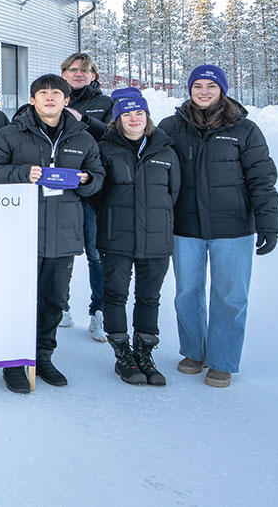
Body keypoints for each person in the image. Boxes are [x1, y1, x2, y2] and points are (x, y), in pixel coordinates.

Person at [0, 73, 105, 394]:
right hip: (20, 233)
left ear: (66, 100)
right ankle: (14, 362)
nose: (50, 97)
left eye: (56, 93)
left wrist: (87, 180)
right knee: (18, 300)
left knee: (54, 300)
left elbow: (98, 178)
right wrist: (22, 173)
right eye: (43, 93)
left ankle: (43, 357)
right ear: (32, 99)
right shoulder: (10, 134)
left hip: (63, 232)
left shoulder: (83, 138)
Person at [158, 64, 278, 389]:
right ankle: (194, 352)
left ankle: (222, 361)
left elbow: (262, 177)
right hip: (186, 226)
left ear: (222, 90)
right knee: (187, 293)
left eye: (211, 86)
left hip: (233, 227)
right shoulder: (171, 127)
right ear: (189, 89)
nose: (204, 92)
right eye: (197, 85)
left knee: (230, 296)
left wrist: (268, 221)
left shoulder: (244, 129)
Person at [93, 88, 180, 386]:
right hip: (116, 236)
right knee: (115, 295)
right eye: (127, 114)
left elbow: (173, 194)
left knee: (149, 298)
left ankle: (144, 354)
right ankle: (123, 356)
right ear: (117, 120)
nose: (134, 119)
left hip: (156, 239)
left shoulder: (165, 151)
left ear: (147, 117)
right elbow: (96, 195)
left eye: (139, 113)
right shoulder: (105, 150)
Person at [57, 52, 115, 336]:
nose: (78, 74)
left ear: (93, 75)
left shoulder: (106, 103)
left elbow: (115, 135)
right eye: (73, 69)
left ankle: (98, 312)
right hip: (60, 189)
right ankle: (61, 307)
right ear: (64, 74)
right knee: (59, 252)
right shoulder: (55, 97)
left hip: (93, 189)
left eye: (85, 70)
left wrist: (85, 119)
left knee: (96, 254)